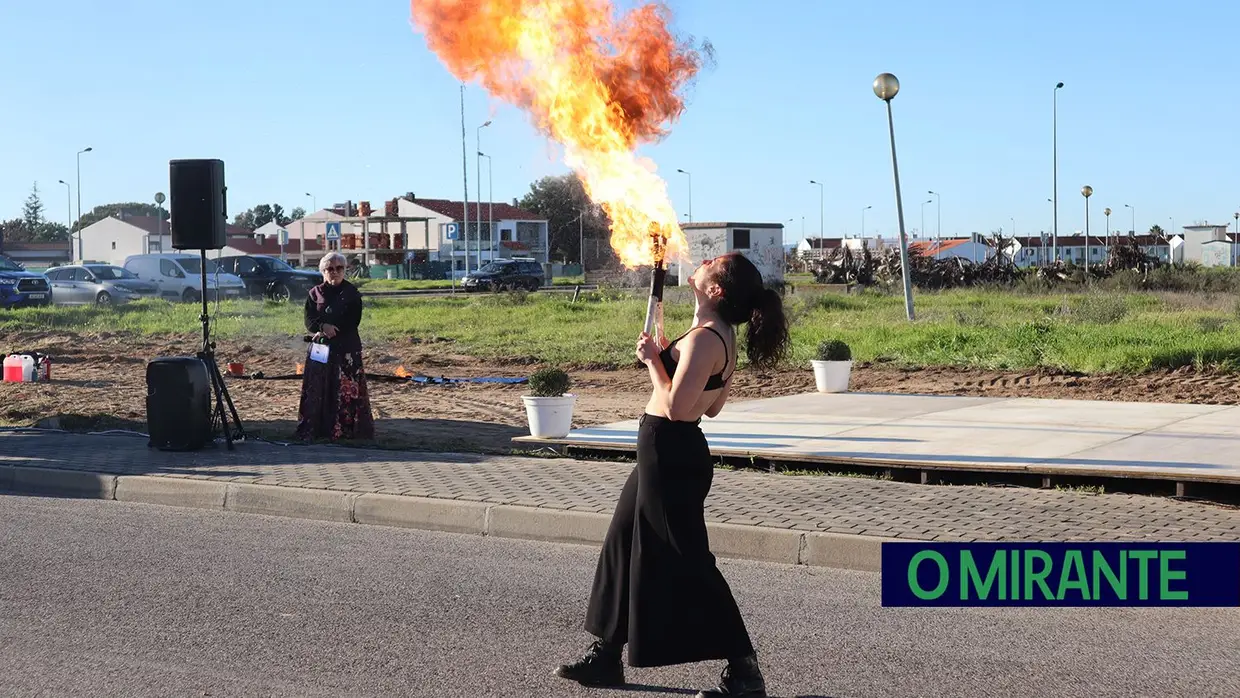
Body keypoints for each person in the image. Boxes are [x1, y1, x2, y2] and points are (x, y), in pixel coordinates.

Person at [555, 252, 791, 698]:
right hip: (666, 450)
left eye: (713, 261)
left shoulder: (705, 339)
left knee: (689, 560)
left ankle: (745, 672)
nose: (701, 261)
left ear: (716, 289)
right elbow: (714, 406)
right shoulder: (717, 335)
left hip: (671, 452)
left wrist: (652, 360)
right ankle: (606, 655)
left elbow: (679, 409)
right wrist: (671, 359)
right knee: (623, 543)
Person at [296, 251, 374, 442]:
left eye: (339, 268)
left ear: (345, 270)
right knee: (318, 389)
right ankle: (317, 428)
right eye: (330, 268)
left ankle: (347, 430)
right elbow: (309, 319)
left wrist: (334, 329)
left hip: (346, 347)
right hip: (321, 348)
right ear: (323, 271)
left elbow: (354, 319)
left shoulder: (352, 293)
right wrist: (323, 327)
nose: (335, 272)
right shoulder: (314, 293)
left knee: (346, 390)